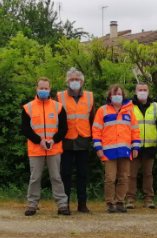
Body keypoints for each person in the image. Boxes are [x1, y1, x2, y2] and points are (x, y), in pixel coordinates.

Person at [21, 78, 70, 216]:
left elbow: (63, 128)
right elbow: (25, 129)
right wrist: (39, 141)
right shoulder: (28, 107)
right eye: (41, 88)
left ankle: (62, 205)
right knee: (35, 178)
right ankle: (32, 205)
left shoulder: (58, 107)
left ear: (50, 89)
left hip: (54, 148)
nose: (43, 91)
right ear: (36, 89)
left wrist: (53, 140)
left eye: (46, 88)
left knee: (56, 177)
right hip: (36, 149)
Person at [92, 84, 140, 213]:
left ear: (123, 96)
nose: (117, 96)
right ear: (109, 96)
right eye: (114, 94)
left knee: (124, 177)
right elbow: (96, 130)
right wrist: (98, 147)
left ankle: (120, 202)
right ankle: (110, 203)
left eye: (119, 94)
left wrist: (136, 147)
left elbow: (135, 130)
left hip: (125, 150)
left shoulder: (130, 111)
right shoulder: (103, 110)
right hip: (108, 151)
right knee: (110, 178)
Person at [56, 67, 95, 213]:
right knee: (65, 173)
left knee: (82, 174)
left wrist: (93, 138)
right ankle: (64, 204)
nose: (74, 82)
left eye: (77, 79)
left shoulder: (90, 96)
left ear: (82, 81)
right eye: (72, 79)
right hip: (66, 140)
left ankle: (82, 204)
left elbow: (93, 119)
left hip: (83, 139)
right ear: (67, 81)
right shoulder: (59, 96)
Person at [125, 83, 157, 209]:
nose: (142, 92)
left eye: (145, 90)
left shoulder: (155, 105)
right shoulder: (128, 105)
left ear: (148, 91)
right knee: (131, 174)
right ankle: (131, 199)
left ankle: (148, 199)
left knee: (148, 174)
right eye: (140, 90)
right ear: (135, 91)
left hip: (150, 145)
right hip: (133, 145)